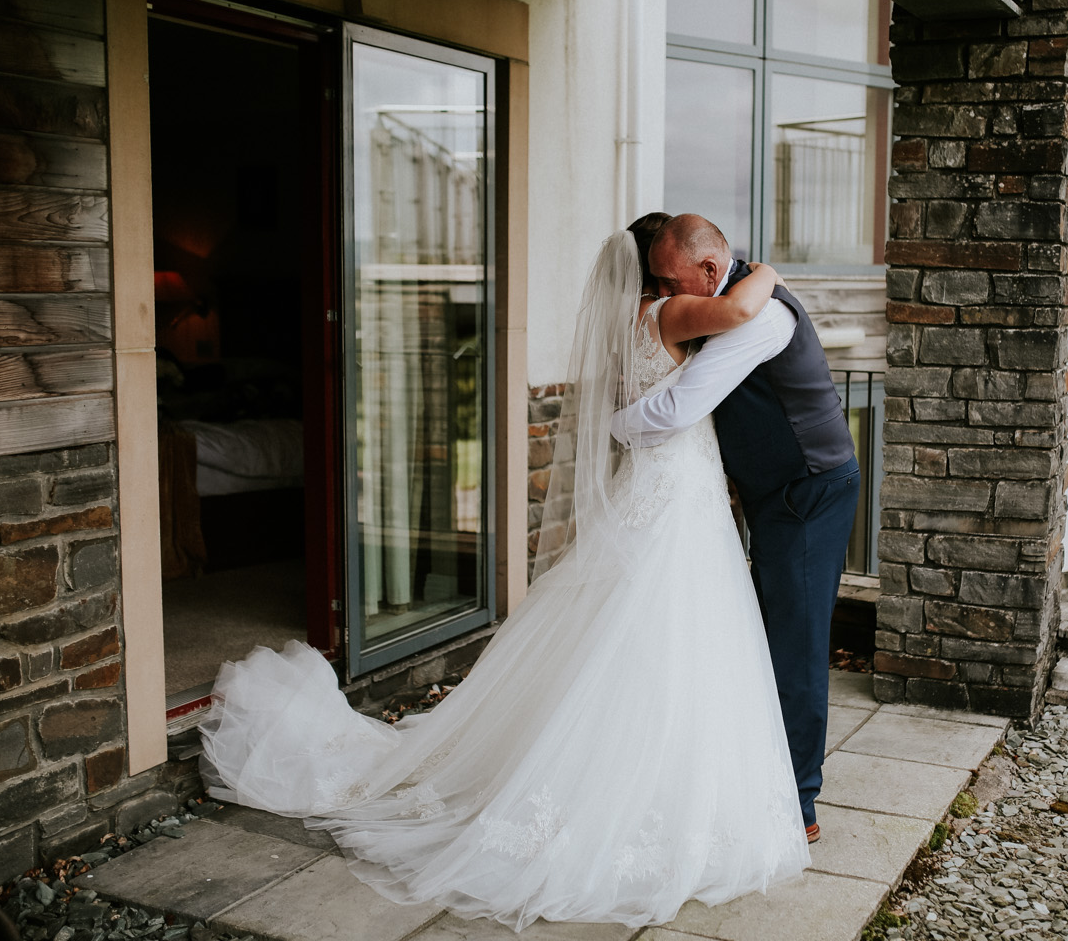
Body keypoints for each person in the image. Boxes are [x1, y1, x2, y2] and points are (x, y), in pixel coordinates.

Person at [199, 227, 807, 931]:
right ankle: (638, 801)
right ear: (658, 272)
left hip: (668, 494)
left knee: (645, 640)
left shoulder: (628, 321)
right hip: (676, 501)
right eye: (672, 272)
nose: (684, 283)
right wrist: (766, 270)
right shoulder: (667, 314)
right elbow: (738, 313)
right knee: (665, 641)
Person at [610, 214, 860, 845]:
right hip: (767, 492)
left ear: (710, 271)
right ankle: (753, 773)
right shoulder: (723, 304)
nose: (663, 293)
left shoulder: (763, 318)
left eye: (668, 280)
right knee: (748, 639)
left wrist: (608, 429)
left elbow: (680, 406)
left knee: (796, 646)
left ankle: (799, 802)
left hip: (806, 491)